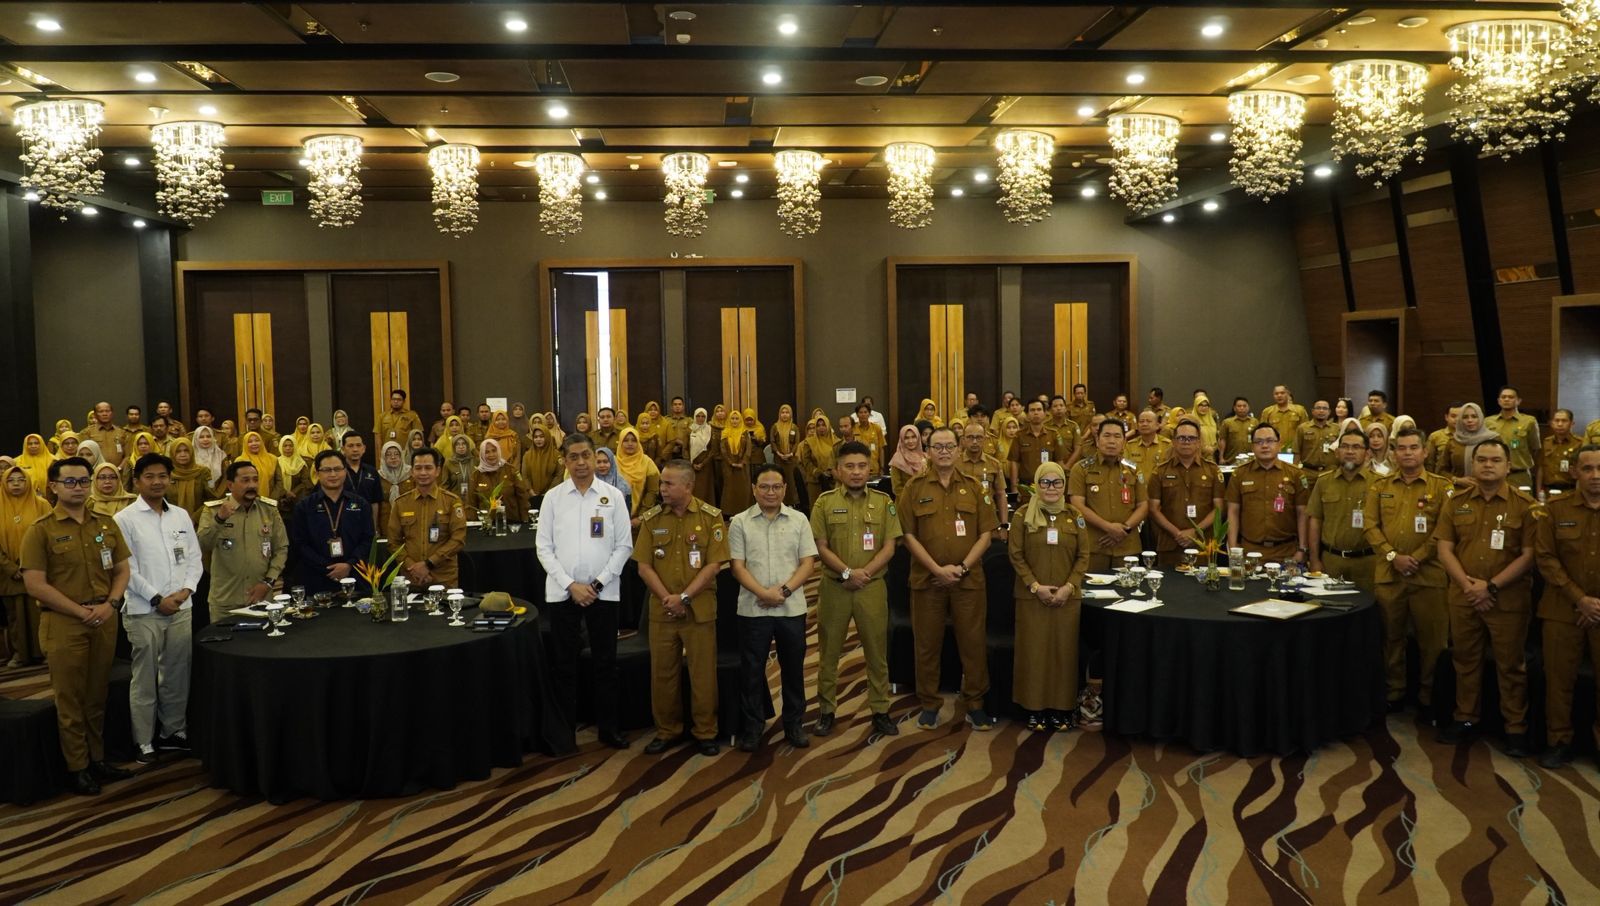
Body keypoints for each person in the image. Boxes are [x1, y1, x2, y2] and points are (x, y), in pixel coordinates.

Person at [20, 456, 134, 795]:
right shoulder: (40, 530)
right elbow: (35, 585)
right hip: (64, 623)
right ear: (53, 486)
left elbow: (123, 569)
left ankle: (97, 759)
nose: (78, 487)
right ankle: (78, 767)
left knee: (97, 694)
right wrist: (80, 611)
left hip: (103, 617)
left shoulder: (105, 523)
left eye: (84, 481)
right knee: (70, 699)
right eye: (70, 482)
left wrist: (111, 603)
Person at [1434, 438, 1542, 757]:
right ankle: (1465, 718)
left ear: (1508, 466)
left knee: (1511, 666)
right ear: (1473, 465)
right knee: (1465, 660)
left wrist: (1490, 586)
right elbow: (1444, 548)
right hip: (1464, 596)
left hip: (1506, 600)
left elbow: (1530, 555)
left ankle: (1515, 728)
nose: (1487, 465)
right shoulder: (1456, 501)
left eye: (1495, 460)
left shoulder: (1526, 506)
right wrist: (1470, 587)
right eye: (1481, 460)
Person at [536, 432, 635, 749]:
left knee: (606, 663)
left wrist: (596, 584)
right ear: (565, 461)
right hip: (563, 593)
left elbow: (623, 546)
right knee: (564, 664)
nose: (580, 463)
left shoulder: (613, 496)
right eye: (573, 457)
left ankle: (609, 729)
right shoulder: (553, 498)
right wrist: (571, 585)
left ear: (596, 458)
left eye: (586, 456)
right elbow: (543, 548)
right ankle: (565, 733)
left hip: (603, 593)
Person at [898, 426, 999, 730]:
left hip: (968, 581)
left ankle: (975, 703)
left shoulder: (975, 487)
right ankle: (929, 703)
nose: (943, 452)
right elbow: (907, 536)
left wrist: (963, 568)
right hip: (927, 582)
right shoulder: (913, 488)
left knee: (973, 644)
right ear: (927, 451)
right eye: (937, 447)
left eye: (949, 446)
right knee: (927, 644)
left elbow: (986, 534)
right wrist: (936, 570)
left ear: (958, 450)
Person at [634, 460, 729, 756]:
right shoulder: (652, 519)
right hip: (662, 609)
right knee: (662, 673)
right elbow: (643, 566)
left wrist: (684, 597)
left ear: (688, 486)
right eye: (662, 483)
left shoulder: (711, 518)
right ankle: (667, 730)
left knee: (702, 674)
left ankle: (705, 731)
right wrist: (668, 599)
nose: (662, 489)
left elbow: (714, 564)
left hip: (699, 608)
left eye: (669, 484)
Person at [113, 453, 201, 764]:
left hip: (181, 606)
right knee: (145, 677)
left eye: (162, 476)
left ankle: (173, 731)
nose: (157, 482)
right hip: (142, 610)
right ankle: (144, 740)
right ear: (137, 481)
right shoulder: (124, 519)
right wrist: (156, 599)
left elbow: (194, 558)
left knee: (177, 673)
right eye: (149, 476)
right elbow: (126, 568)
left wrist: (185, 591)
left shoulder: (179, 515)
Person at [810, 441, 901, 738]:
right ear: (837, 470)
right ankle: (826, 710)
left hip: (871, 587)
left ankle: (880, 710)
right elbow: (820, 547)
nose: (856, 472)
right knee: (829, 651)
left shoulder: (883, 501)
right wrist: (847, 572)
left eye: (862, 466)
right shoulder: (823, 503)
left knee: (877, 651)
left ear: (870, 468)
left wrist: (864, 574)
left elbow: (890, 546)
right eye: (849, 466)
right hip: (835, 587)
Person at [1362, 425, 1454, 717]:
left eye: (1413, 447)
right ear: (1394, 452)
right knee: (1391, 639)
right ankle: (1395, 692)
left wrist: (1415, 558)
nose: (1407, 453)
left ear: (1425, 451)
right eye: (1401, 448)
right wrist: (1393, 556)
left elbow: (1445, 530)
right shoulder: (1380, 486)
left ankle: (1429, 697)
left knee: (1433, 642)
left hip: (1429, 577)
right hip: (1390, 576)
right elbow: (1370, 526)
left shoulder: (1442, 487)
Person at [729, 464, 817, 752]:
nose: (770, 492)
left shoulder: (799, 519)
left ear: (784, 489)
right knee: (752, 670)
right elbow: (737, 566)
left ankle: (794, 723)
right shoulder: (740, 522)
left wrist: (784, 591)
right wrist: (763, 594)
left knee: (793, 668)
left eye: (776, 487)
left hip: (791, 607)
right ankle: (753, 726)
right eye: (764, 487)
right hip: (753, 609)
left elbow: (808, 563)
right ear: (754, 489)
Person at [1008, 461, 1091, 732]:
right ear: (1036, 485)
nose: (1051, 488)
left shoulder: (1074, 516)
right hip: (1032, 597)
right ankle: (1034, 708)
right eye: (1045, 482)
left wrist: (1069, 587)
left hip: (1068, 598)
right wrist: (1035, 586)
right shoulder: (1022, 515)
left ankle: (1062, 708)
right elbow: (1016, 555)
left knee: (1064, 653)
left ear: (1064, 486)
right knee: (1034, 653)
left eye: (1056, 483)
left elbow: (1083, 556)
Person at [1534, 444, 1600, 768]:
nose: (1595, 476)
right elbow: (1545, 558)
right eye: (1587, 469)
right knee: (1559, 681)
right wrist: (1580, 600)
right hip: (1562, 609)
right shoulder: (1555, 509)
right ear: (1574, 472)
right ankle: (1559, 741)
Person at [199, 460, 288, 624]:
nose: (252, 485)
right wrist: (219, 519)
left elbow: (281, 549)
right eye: (245, 480)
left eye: (255, 480)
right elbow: (202, 545)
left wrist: (268, 583)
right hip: (226, 600)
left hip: (261, 599)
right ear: (230, 485)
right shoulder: (213, 510)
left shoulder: (269, 510)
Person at [290, 449, 375, 595]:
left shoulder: (360, 504)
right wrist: (328, 567)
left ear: (345, 471)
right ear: (317, 474)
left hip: (355, 577)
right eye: (327, 470)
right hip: (317, 580)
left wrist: (349, 565)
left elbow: (368, 539)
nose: (333, 474)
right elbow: (300, 544)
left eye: (337, 469)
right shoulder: (304, 506)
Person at [1069, 419, 1148, 572]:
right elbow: (1077, 505)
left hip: (1127, 546)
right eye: (1107, 435)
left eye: (1117, 436)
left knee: (1130, 591)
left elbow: (1143, 505)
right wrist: (1108, 528)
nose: (1112, 441)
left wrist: (1124, 529)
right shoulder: (1080, 469)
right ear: (1097, 440)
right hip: (1094, 545)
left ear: (1124, 441)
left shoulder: (1134, 469)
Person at [1226, 424, 1310, 564]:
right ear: (1252, 447)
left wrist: (1302, 549)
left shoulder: (1296, 474)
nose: (1264, 446)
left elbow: (1303, 513)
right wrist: (1234, 547)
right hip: (1250, 551)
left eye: (1270, 441)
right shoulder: (1240, 474)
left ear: (1279, 444)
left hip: (1287, 552)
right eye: (1259, 442)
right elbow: (1233, 512)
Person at [385, 447, 468, 588]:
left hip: (444, 578)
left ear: (437, 471)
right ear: (412, 471)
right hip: (411, 578)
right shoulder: (401, 503)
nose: (423, 472)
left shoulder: (451, 501)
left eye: (428, 468)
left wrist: (428, 564)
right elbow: (393, 542)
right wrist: (414, 568)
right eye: (418, 468)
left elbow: (458, 539)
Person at [1307, 427, 1377, 592]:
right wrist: (1314, 558)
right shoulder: (1323, 482)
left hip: (1367, 562)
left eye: (1356, 447)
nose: (1350, 451)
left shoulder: (1379, 484)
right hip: (1331, 561)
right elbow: (1315, 521)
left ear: (1367, 454)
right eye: (1345, 446)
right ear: (1337, 452)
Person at [1146, 418, 1223, 567]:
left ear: (1199, 442)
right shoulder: (1160, 471)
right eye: (1181, 438)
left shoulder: (1213, 470)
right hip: (1170, 544)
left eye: (1191, 438)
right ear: (1174, 442)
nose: (1186, 441)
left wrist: (1195, 531)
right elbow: (1153, 509)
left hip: (1203, 545)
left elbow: (1219, 508)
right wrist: (1177, 533)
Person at [1, 464, 50, 667]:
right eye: (11, 481)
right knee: (15, 616)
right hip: (7, 572)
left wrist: (30, 564)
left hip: (37, 570)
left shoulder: (42, 504)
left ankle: (43, 651)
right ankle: (20, 654)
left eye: (21, 480)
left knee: (38, 613)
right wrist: (11, 568)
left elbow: (49, 534)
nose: (16, 484)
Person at [957, 419, 1010, 535]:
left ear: (985, 439)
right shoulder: (954, 464)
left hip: (988, 521)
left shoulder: (994, 464)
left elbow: (1001, 495)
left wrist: (1004, 525)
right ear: (963, 440)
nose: (975, 441)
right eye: (970, 437)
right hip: (961, 520)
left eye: (979, 437)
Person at [467, 438, 530, 523]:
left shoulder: (511, 470)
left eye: (494, 450)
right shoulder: (476, 475)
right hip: (487, 525)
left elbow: (522, 496)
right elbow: (471, 503)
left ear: (499, 451)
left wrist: (525, 520)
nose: (491, 454)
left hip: (511, 522)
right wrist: (474, 525)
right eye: (487, 452)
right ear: (481, 454)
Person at [1012, 400, 1063, 500]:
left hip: (1049, 487)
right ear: (1027, 415)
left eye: (1039, 410)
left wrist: (1059, 486)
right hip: (1025, 487)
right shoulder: (1019, 436)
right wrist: (1014, 488)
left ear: (1045, 413)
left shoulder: (1054, 435)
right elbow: (1014, 462)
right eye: (1032, 410)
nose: (1036, 413)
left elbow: (1059, 462)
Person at [614, 426, 661, 528]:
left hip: (639, 519)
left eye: (634, 440)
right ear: (620, 442)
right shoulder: (612, 462)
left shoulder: (647, 462)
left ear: (638, 443)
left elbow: (652, 492)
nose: (630, 444)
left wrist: (641, 517)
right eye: (626, 440)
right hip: (614, 518)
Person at [340, 432, 385, 528]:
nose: (355, 449)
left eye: (358, 445)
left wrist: (374, 526)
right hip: (343, 523)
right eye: (350, 446)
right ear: (343, 449)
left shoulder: (372, 471)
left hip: (366, 523)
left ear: (364, 448)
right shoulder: (337, 471)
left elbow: (375, 502)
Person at [165, 437, 214, 522]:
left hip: (199, 522)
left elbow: (212, 498)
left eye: (186, 450)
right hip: (172, 521)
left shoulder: (204, 472)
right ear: (172, 454)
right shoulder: (167, 473)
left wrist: (194, 518)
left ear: (191, 452)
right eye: (178, 451)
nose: (183, 454)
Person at [719, 409, 757, 515]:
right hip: (728, 465)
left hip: (742, 466)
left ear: (740, 420)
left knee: (743, 489)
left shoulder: (745, 432)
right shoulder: (725, 432)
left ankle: (744, 512)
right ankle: (730, 512)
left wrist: (742, 462)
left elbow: (748, 450)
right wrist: (731, 462)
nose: (734, 421)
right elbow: (723, 450)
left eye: (737, 419)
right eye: (732, 418)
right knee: (730, 489)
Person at [1447, 402, 1498, 479]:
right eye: (1465, 417)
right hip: (1460, 488)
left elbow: (1505, 466)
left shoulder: (1493, 439)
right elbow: (1441, 470)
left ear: (1480, 418)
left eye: (1474, 416)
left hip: (1492, 487)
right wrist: (1457, 480)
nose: (1470, 420)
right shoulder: (1454, 441)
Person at [797, 414, 837, 510]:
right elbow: (806, 461)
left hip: (833, 482)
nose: (821, 428)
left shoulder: (837, 442)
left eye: (823, 425)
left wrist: (832, 471)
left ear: (828, 426)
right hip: (815, 482)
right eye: (818, 425)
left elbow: (840, 460)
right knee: (817, 510)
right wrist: (819, 473)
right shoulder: (809, 442)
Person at [1124, 409, 1171, 486]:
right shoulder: (1130, 445)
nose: (1144, 424)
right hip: (1136, 488)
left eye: (1148, 421)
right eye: (1141, 421)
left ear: (1157, 425)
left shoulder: (1167, 445)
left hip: (1160, 489)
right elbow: (1126, 467)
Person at [1540, 409, 1581, 495]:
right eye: (1557, 420)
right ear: (1551, 423)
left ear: (1572, 423)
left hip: (1570, 491)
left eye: (1564, 421)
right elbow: (1541, 468)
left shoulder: (1579, 443)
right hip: (1548, 491)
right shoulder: (1546, 442)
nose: (1560, 424)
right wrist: (1538, 491)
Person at [768, 404, 802, 506]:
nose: (785, 415)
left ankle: (791, 503)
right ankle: (779, 502)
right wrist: (778, 453)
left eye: (787, 412)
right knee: (779, 481)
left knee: (790, 483)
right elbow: (772, 441)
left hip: (791, 460)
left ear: (790, 414)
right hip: (779, 459)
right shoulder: (775, 427)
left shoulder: (794, 427)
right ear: (779, 414)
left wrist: (791, 454)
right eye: (783, 412)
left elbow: (797, 442)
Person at [1294, 400, 1339, 475]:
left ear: (1329, 412)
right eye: (1318, 408)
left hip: (1330, 472)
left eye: (1325, 408)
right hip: (1308, 472)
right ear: (1312, 411)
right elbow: (1296, 451)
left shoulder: (1336, 429)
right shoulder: (1302, 428)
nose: (1321, 411)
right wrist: (1295, 472)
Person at [521, 425, 564, 499]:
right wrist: (531, 491)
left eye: (541, 436)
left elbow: (559, 475)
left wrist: (549, 493)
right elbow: (525, 476)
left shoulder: (556, 455)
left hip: (552, 496)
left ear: (547, 437)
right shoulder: (527, 455)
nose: (538, 439)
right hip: (531, 496)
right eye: (536, 437)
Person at [270, 433, 310, 512]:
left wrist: (293, 493)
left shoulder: (301, 463)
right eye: (285, 446)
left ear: (295, 447)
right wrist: (284, 492)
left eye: (291, 446)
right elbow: (274, 481)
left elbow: (305, 482)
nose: (288, 448)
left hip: (297, 498)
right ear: (281, 447)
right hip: (280, 499)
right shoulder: (276, 462)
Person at [888, 424, 928, 499]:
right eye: (906, 438)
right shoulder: (897, 459)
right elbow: (897, 488)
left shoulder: (925, 457)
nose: (910, 441)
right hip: (905, 503)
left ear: (918, 438)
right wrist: (913, 499)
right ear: (901, 439)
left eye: (913, 437)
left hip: (925, 501)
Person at [82, 401, 125, 467]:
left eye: (107, 411)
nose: (104, 414)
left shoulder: (121, 432)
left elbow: (127, 455)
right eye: (101, 411)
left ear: (112, 413)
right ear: (95, 414)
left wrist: (120, 468)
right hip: (95, 472)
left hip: (118, 472)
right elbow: (83, 455)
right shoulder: (87, 433)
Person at [688, 408, 717, 502]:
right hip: (692, 465)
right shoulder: (690, 430)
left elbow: (713, 449)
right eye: (698, 416)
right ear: (694, 416)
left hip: (706, 465)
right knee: (694, 490)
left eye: (703, 416)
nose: (700, 418)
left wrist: (703, 463)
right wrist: (691, 463)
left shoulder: (710, 430)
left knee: (706, 490)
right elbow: (685, 448)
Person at [853, 403, 887, 474]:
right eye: (861, 412)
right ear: (857, 414)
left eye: (865, 412)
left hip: (874, 467)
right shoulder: (853, 429)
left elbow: (881, 448)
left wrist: (882, 467)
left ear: (869, 414)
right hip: (857, 468)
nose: (863, 414)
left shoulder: (877, 428)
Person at [1220, 397, 1257, 461]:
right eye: (1239, 406)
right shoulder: (1227, 422)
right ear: (1234, 408)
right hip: (1231, 459)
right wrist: (1221, 457)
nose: (1242, 408)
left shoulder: (1255, 422)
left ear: (1248, 408)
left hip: (1251, 459)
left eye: (1244, 406)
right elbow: (1223, 440)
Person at [1426, 406, 1459, 475]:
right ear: (1446, 417)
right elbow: (1429, 463)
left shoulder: (1470, 437)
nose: (1457, 419)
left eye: (1460, 416)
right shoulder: (1435, 436)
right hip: (1440, 479)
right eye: (1453, 416)